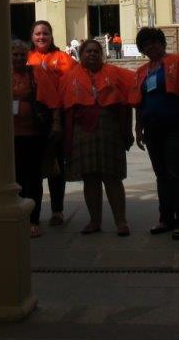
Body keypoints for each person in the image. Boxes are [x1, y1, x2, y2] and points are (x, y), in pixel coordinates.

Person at [131, 27, 179, 240]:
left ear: (162, 43)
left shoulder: (177, 62)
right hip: (152, 129)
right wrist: (138, 129)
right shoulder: (142, 71)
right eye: (146, 44)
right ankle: (165, 218)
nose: (151, 46)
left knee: (176, 173)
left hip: (177, 127)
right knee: (161, 175)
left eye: (154, 42)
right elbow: (139, 103)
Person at [59, 39, 134, 236]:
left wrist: (128, 130)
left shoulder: (116, 73)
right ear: (81, 54)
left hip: (109, 130)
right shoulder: (69, 77)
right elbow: (63, 108)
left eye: (95, 51)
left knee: (112, 177)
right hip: (82, 132)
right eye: (88, 51)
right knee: (90, 178)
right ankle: (94, 221)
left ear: (101, 55)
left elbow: (129, 97)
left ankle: (121, 221)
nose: (92, 54)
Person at [11, 39, 61, 238]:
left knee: (33, 178)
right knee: (15, 178)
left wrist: (56, 123)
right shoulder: (2, 74)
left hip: (33, 134)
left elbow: (52, 100)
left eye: (21, 54)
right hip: (10, 136)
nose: (18, 58)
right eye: (15, 54)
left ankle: (33, 219)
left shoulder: (36, 73)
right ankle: (17, 216)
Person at [27, 20, 73, 227]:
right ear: (32, 37)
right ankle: (32, 212)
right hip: (33, 116)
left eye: (45, 33)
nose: (41, 37)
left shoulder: (62, 58)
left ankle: (57, 210)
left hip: (56, 114)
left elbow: (73, 82)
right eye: (37, 34)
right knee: (33, 167)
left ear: (51, 36)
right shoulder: (26, 58)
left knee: (56, 165)